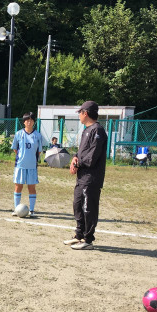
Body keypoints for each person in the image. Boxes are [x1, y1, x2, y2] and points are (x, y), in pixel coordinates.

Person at [64, 101, 108, 250]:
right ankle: (79, 235)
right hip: (81, 177)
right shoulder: (86, 130)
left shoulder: (98, 131)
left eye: (80, 112)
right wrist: (75, 158)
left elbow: (92, 156)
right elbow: (82, 151)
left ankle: (88, 239)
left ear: (86, 113)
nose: (79, 116)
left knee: (88, 208)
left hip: (91, 178)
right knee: (77, 205)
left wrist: (78, 163)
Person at [11, 112, 42, 217]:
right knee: (18, 186)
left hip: (32, 166)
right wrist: (22, 157)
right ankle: (16, 209)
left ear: (34, 122)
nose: (29, 122)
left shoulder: (37, 135)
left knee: (31, 187)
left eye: (31, 120)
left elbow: (39, 151)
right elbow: (15, 148)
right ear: (24, 122)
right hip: (20, 165)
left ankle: (32, 210)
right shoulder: (18, 134)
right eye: (27, 120)